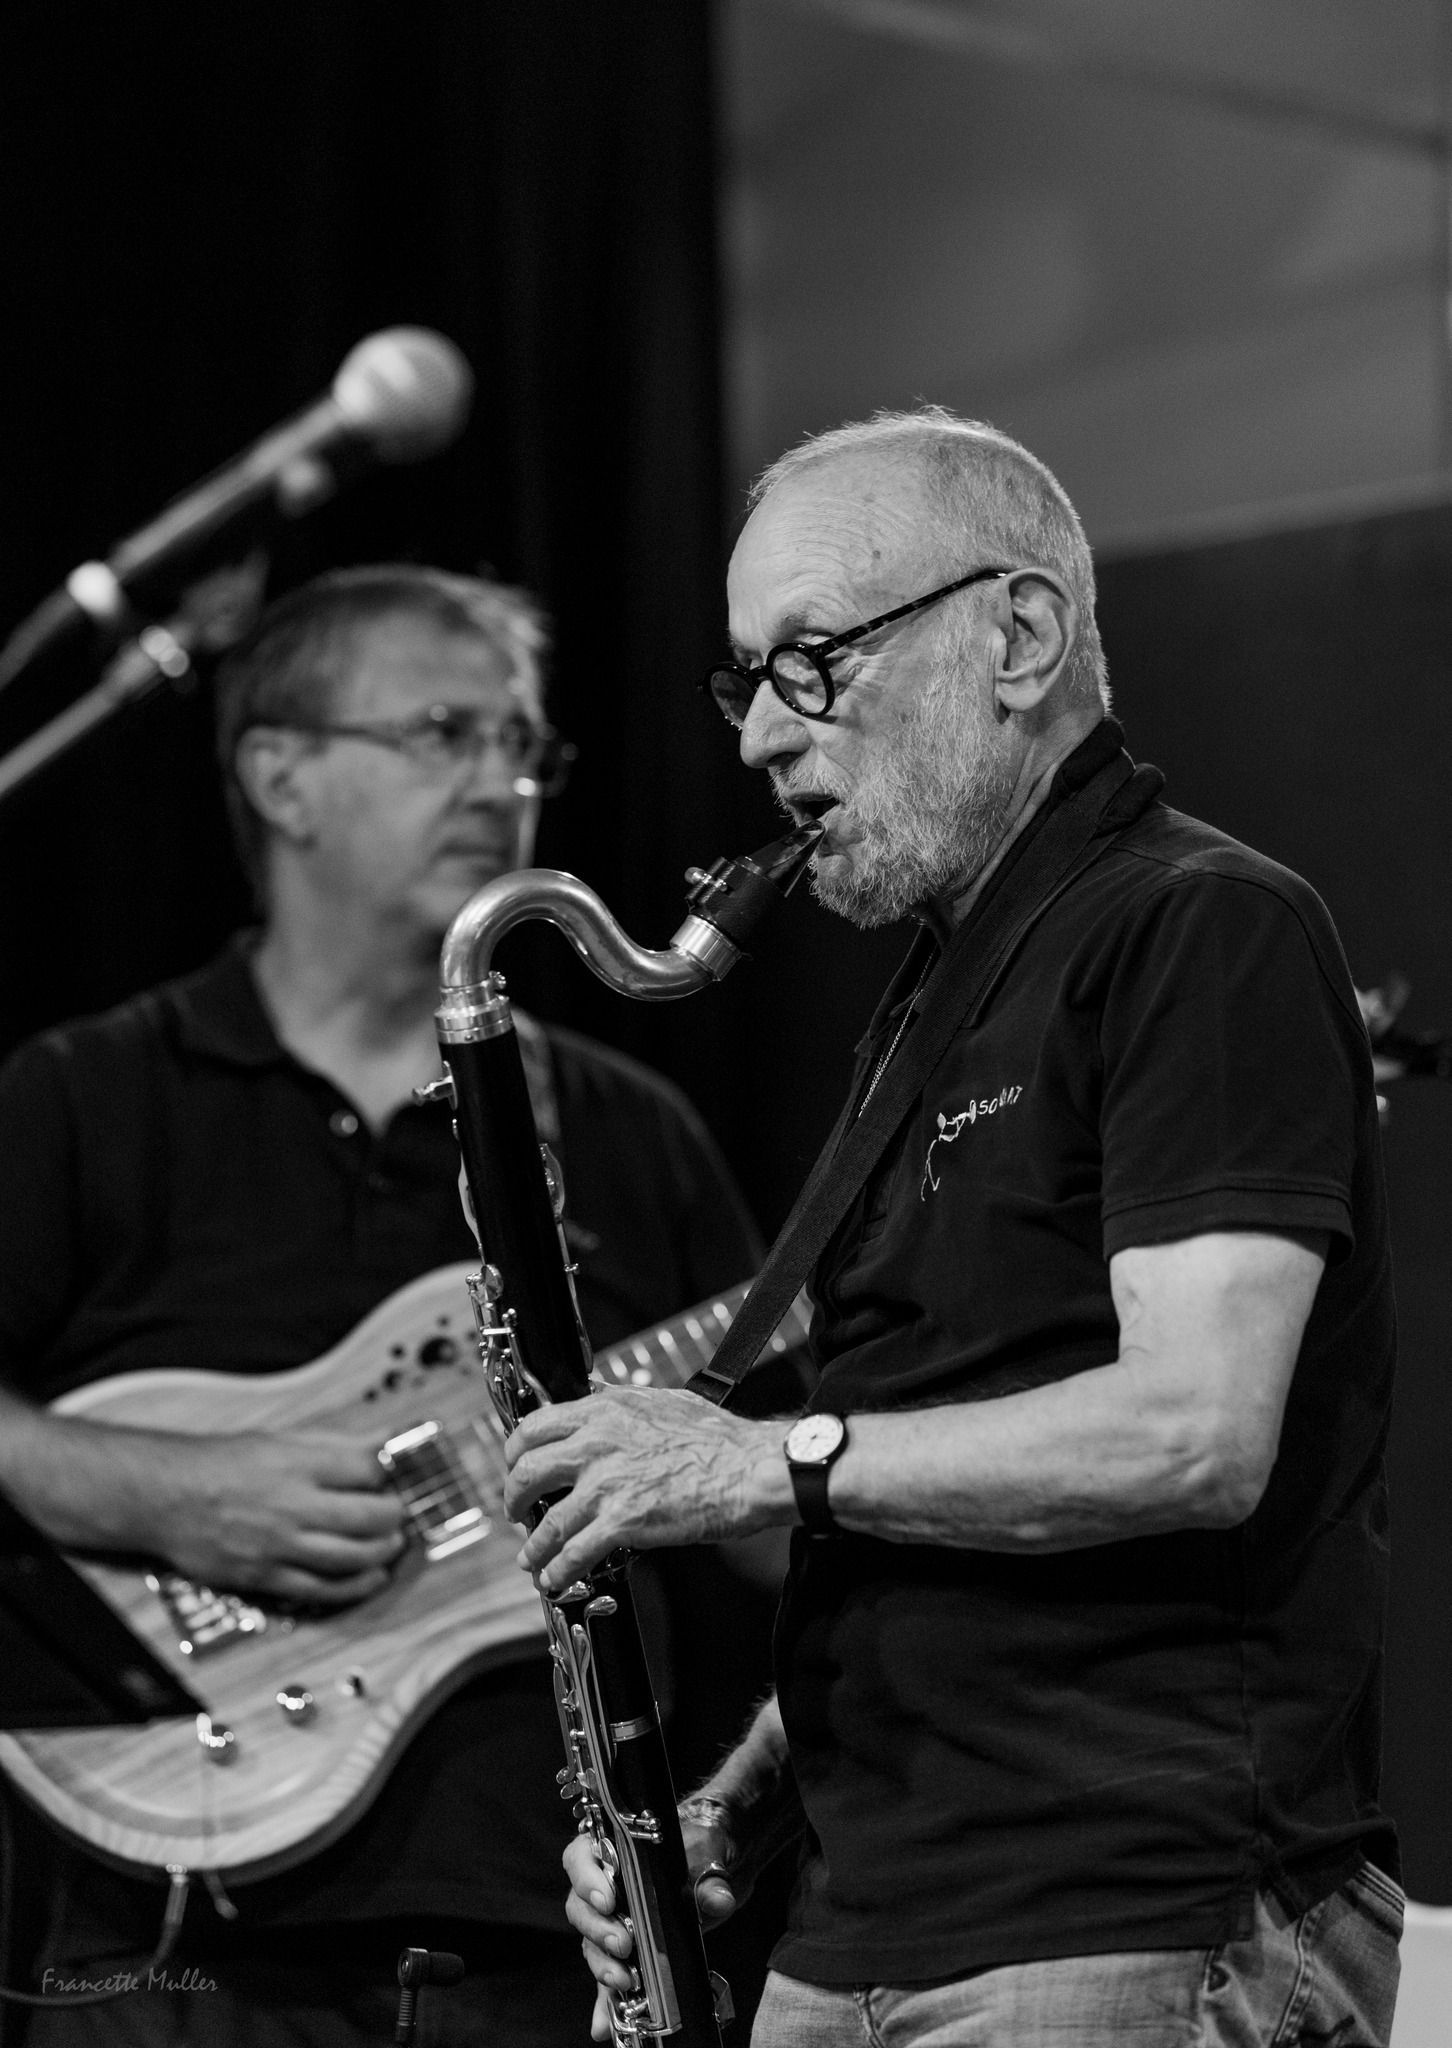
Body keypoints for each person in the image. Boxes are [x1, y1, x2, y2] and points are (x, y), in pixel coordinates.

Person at [517, 409, 1404, 2046]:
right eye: (743, 680)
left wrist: (756, 1463)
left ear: (1020, 637)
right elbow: (917, 1516)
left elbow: (1193, 1435)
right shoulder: (933, 1005)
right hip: (859, 1920)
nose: (759, 739)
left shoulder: (1201, 924)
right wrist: (731, 1818)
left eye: (813, 661)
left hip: (1134, 1906)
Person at [0, 564, 776, 2046]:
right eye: (442, 733)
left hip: (550, 1956)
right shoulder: (83, 1096)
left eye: (522, 744)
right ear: (279, 776)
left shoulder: (628, 1127)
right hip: (171, 1966)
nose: (500, 784)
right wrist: (164, 1492)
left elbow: (766, 1540)